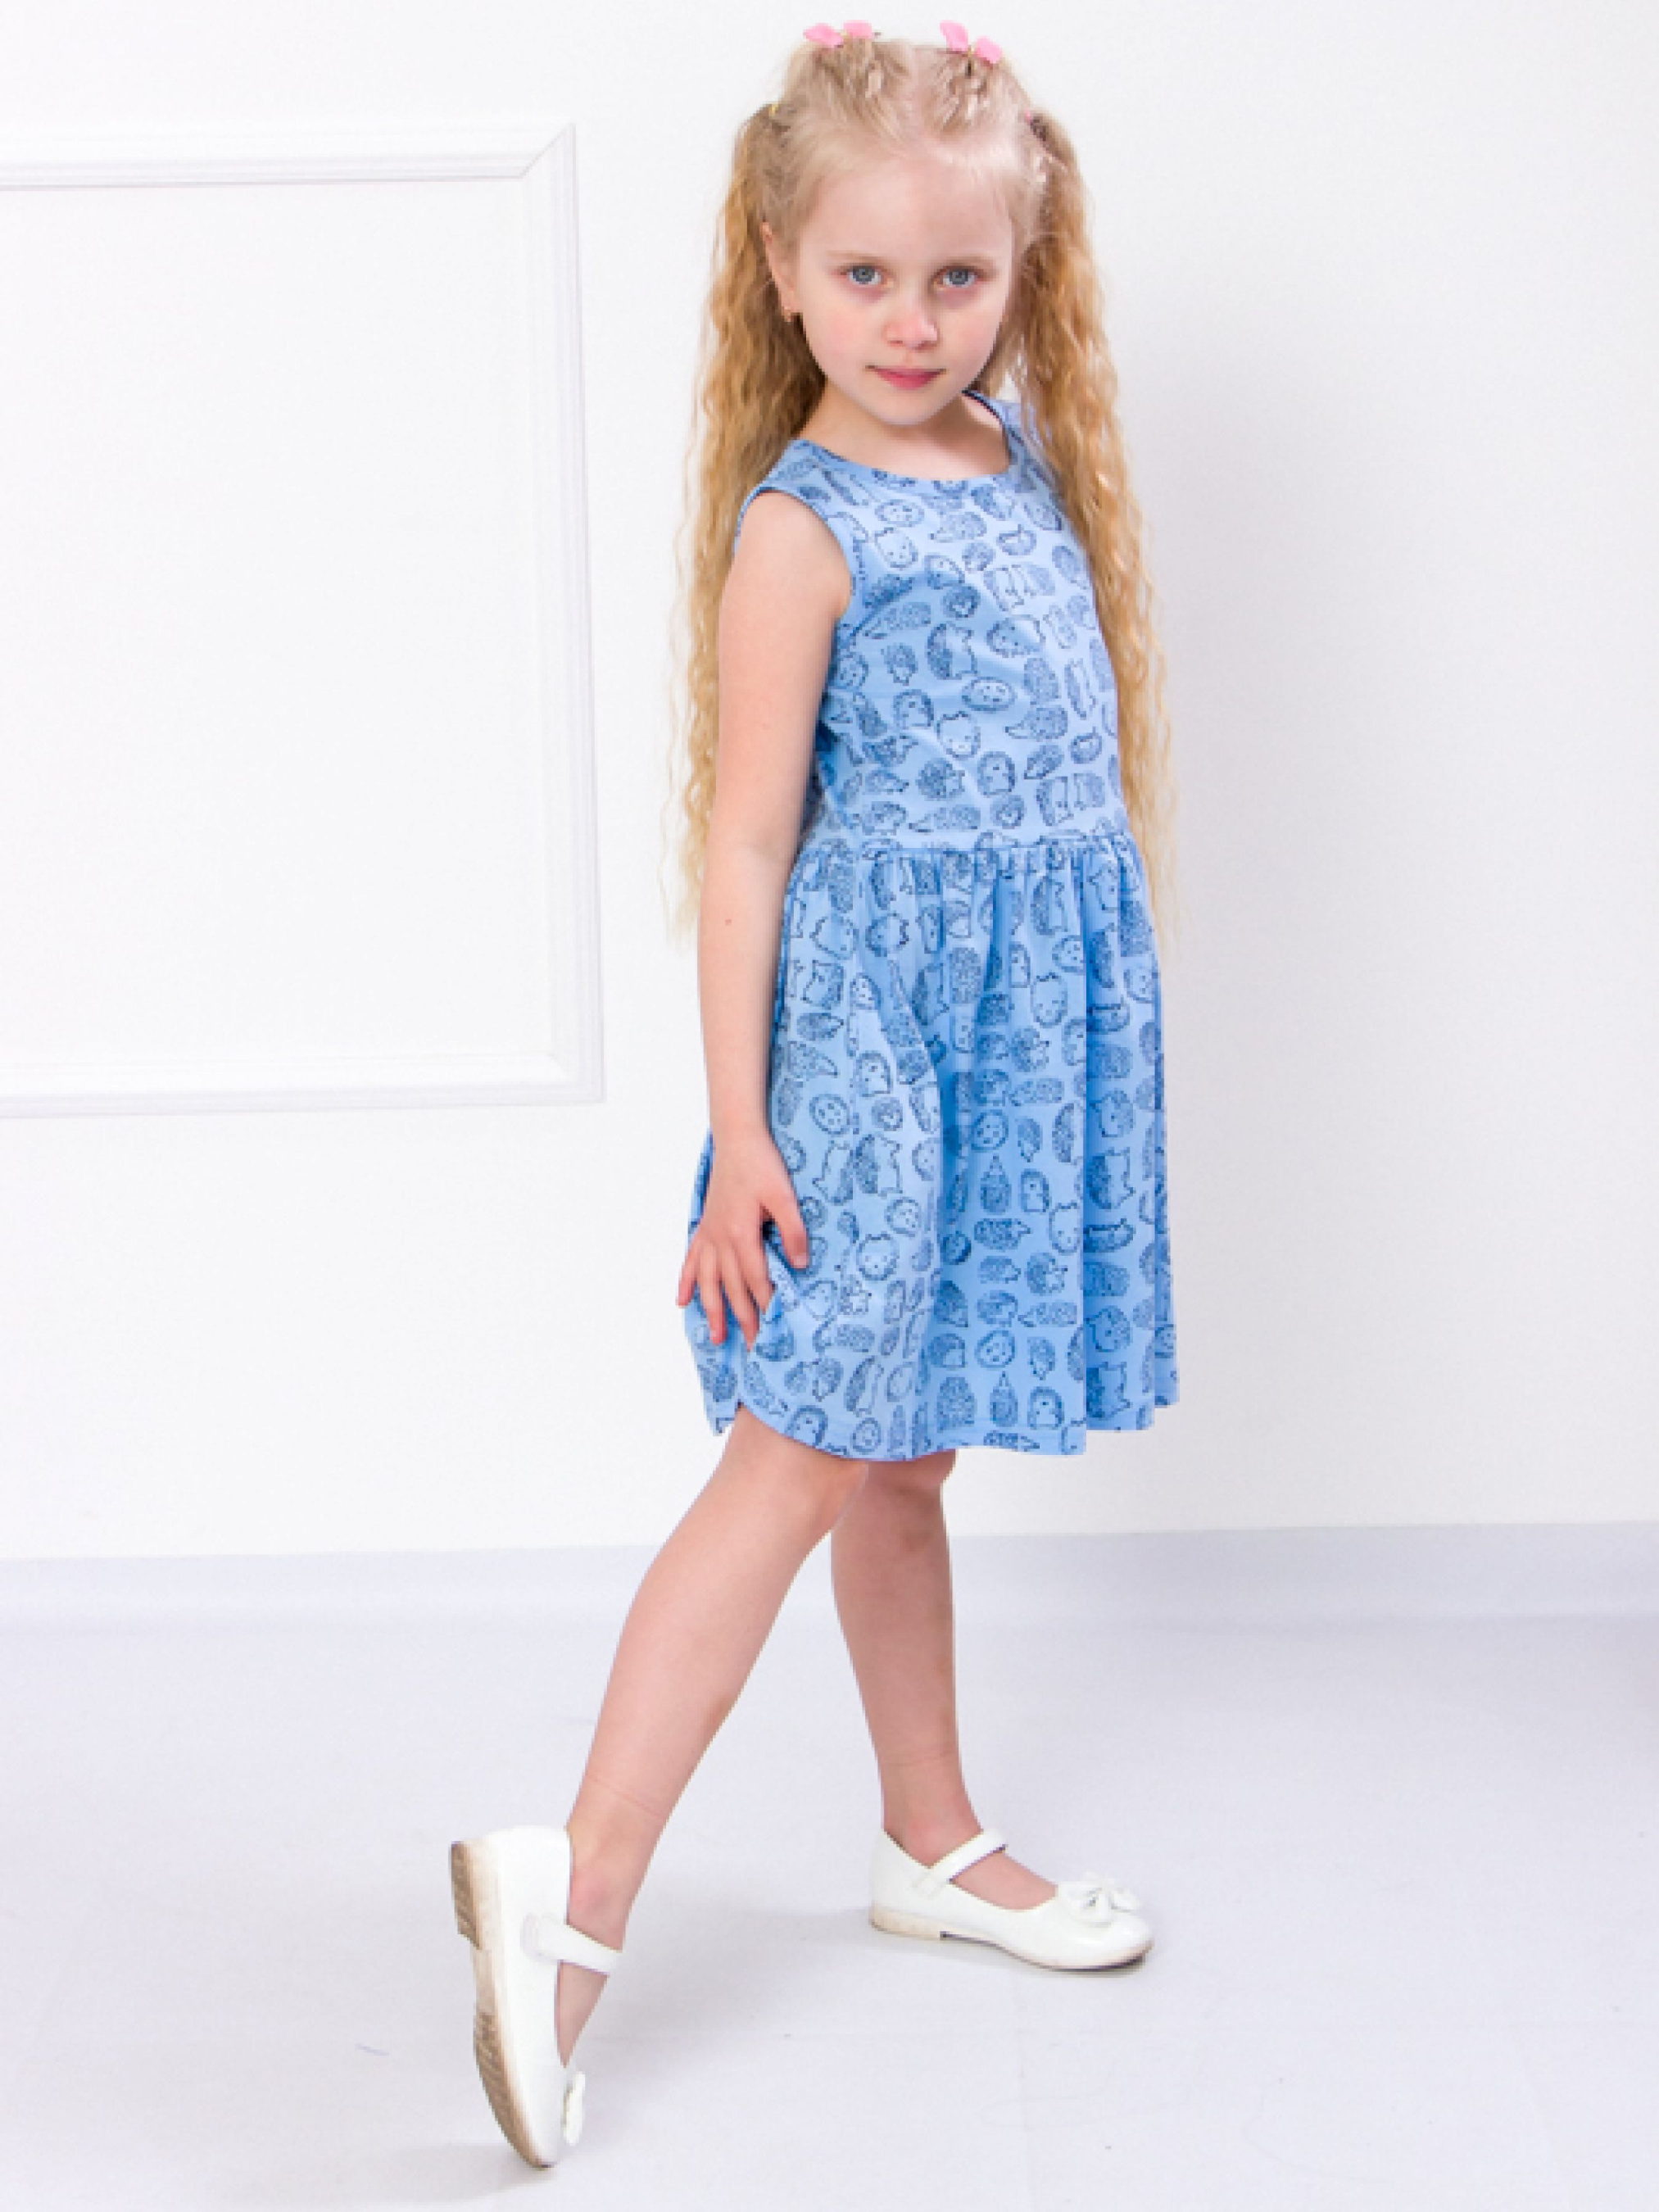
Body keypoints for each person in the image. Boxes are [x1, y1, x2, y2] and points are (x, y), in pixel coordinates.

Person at [451, 19, 1181, 2169]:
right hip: (868, 1064)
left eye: (956, 277)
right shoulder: (806, 526)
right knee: (794, 1456)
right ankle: (572, 1909)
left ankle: (929, 1835)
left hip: (997, 1055)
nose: (910, 321)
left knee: (897, 1462)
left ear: (1022, 273)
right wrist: (746, 1135)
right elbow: (752, 843)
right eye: (862, 275)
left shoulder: (1016, 459)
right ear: (778, 269)